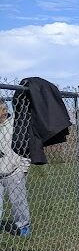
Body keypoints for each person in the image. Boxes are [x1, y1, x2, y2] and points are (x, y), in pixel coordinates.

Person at [0, 101, 32, 237]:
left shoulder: (16, 125)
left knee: (18, 202)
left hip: (14, 171)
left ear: (3, 109)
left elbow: (26, 147)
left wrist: (23, 169)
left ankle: (23, 226)